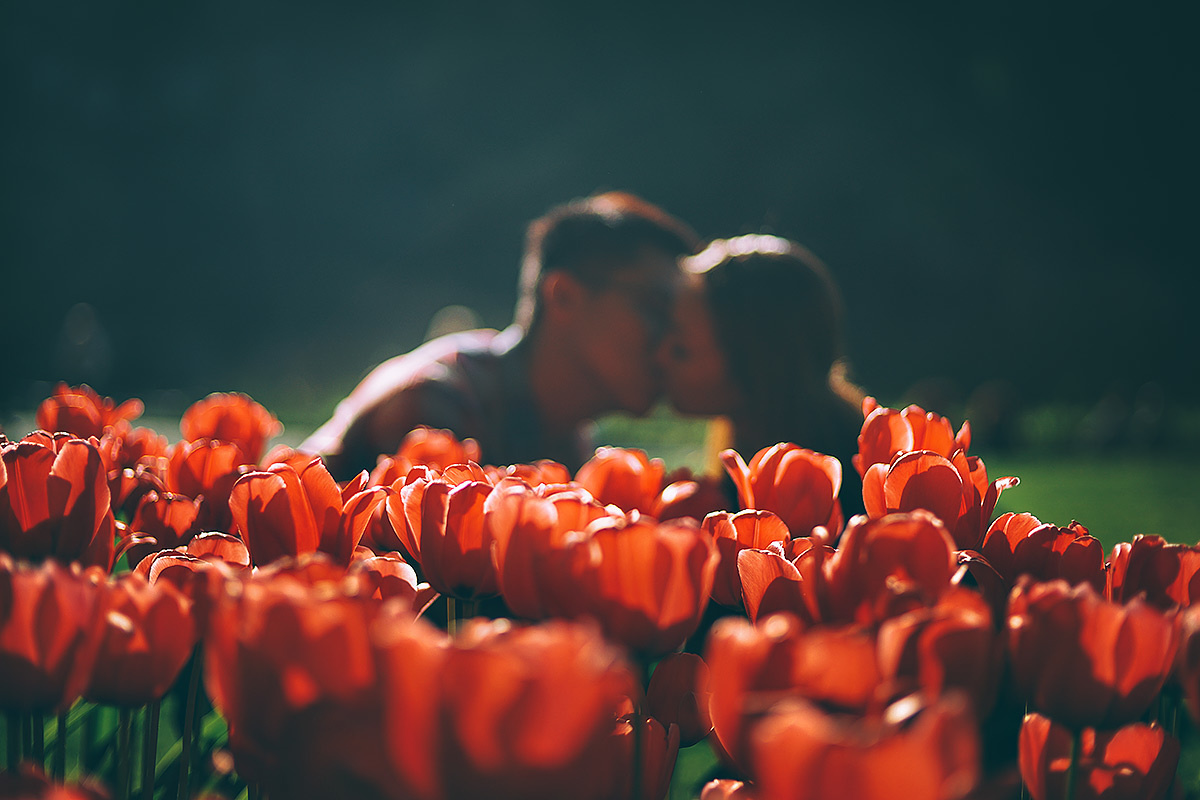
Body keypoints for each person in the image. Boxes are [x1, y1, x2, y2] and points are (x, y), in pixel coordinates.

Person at [303, 191, 700, 481]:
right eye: (655, 309)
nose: (673, 343)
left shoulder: (572, 438)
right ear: (564, 295)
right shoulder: (435, 405)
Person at [659, 233, 867, 516]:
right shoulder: (743, 446)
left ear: (753, 365)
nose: (659, 356)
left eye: (681, 350)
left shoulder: (857, 481)